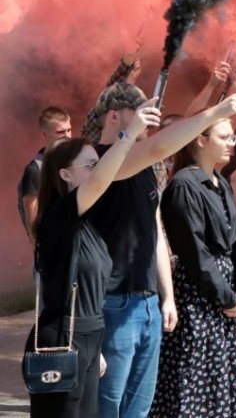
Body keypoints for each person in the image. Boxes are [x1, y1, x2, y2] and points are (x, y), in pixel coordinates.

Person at [90, 83, 236, 417]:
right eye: (140, 111)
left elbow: (156, 232)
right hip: (113, 300)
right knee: (108, 403)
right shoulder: (98, 159)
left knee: (140, 406)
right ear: (114, 116)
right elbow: (159, 147)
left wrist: (167, 296)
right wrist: (217, 112)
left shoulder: (145, 168)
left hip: (146, 301)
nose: (149, 118)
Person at [25, 106, 157, 418]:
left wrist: (95, 349)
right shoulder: (58, 216)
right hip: (61, 339)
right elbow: (99, 181)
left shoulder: (88, 224)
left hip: (89, 336)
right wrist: (129, 134)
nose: (100, 171)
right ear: (65, 175)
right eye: (91, 165)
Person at [151, 118, 236, 417]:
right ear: (201, 140)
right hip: (199, 296)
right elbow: (195, 252)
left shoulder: (220, 182)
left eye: (233, 137)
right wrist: (227, 298)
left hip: (223, 296)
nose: (231, 143)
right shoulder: (184, 184)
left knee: (218, 378)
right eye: (224, 137)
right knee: (194, 378)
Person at [19, 106, 73, 243]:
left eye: (69, 130)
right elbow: (32, 224)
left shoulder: (75, 160)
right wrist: (40, 251)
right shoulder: (35, 170)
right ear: (44, 134)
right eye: (60, 132)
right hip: (53, 246)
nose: (67, 136)